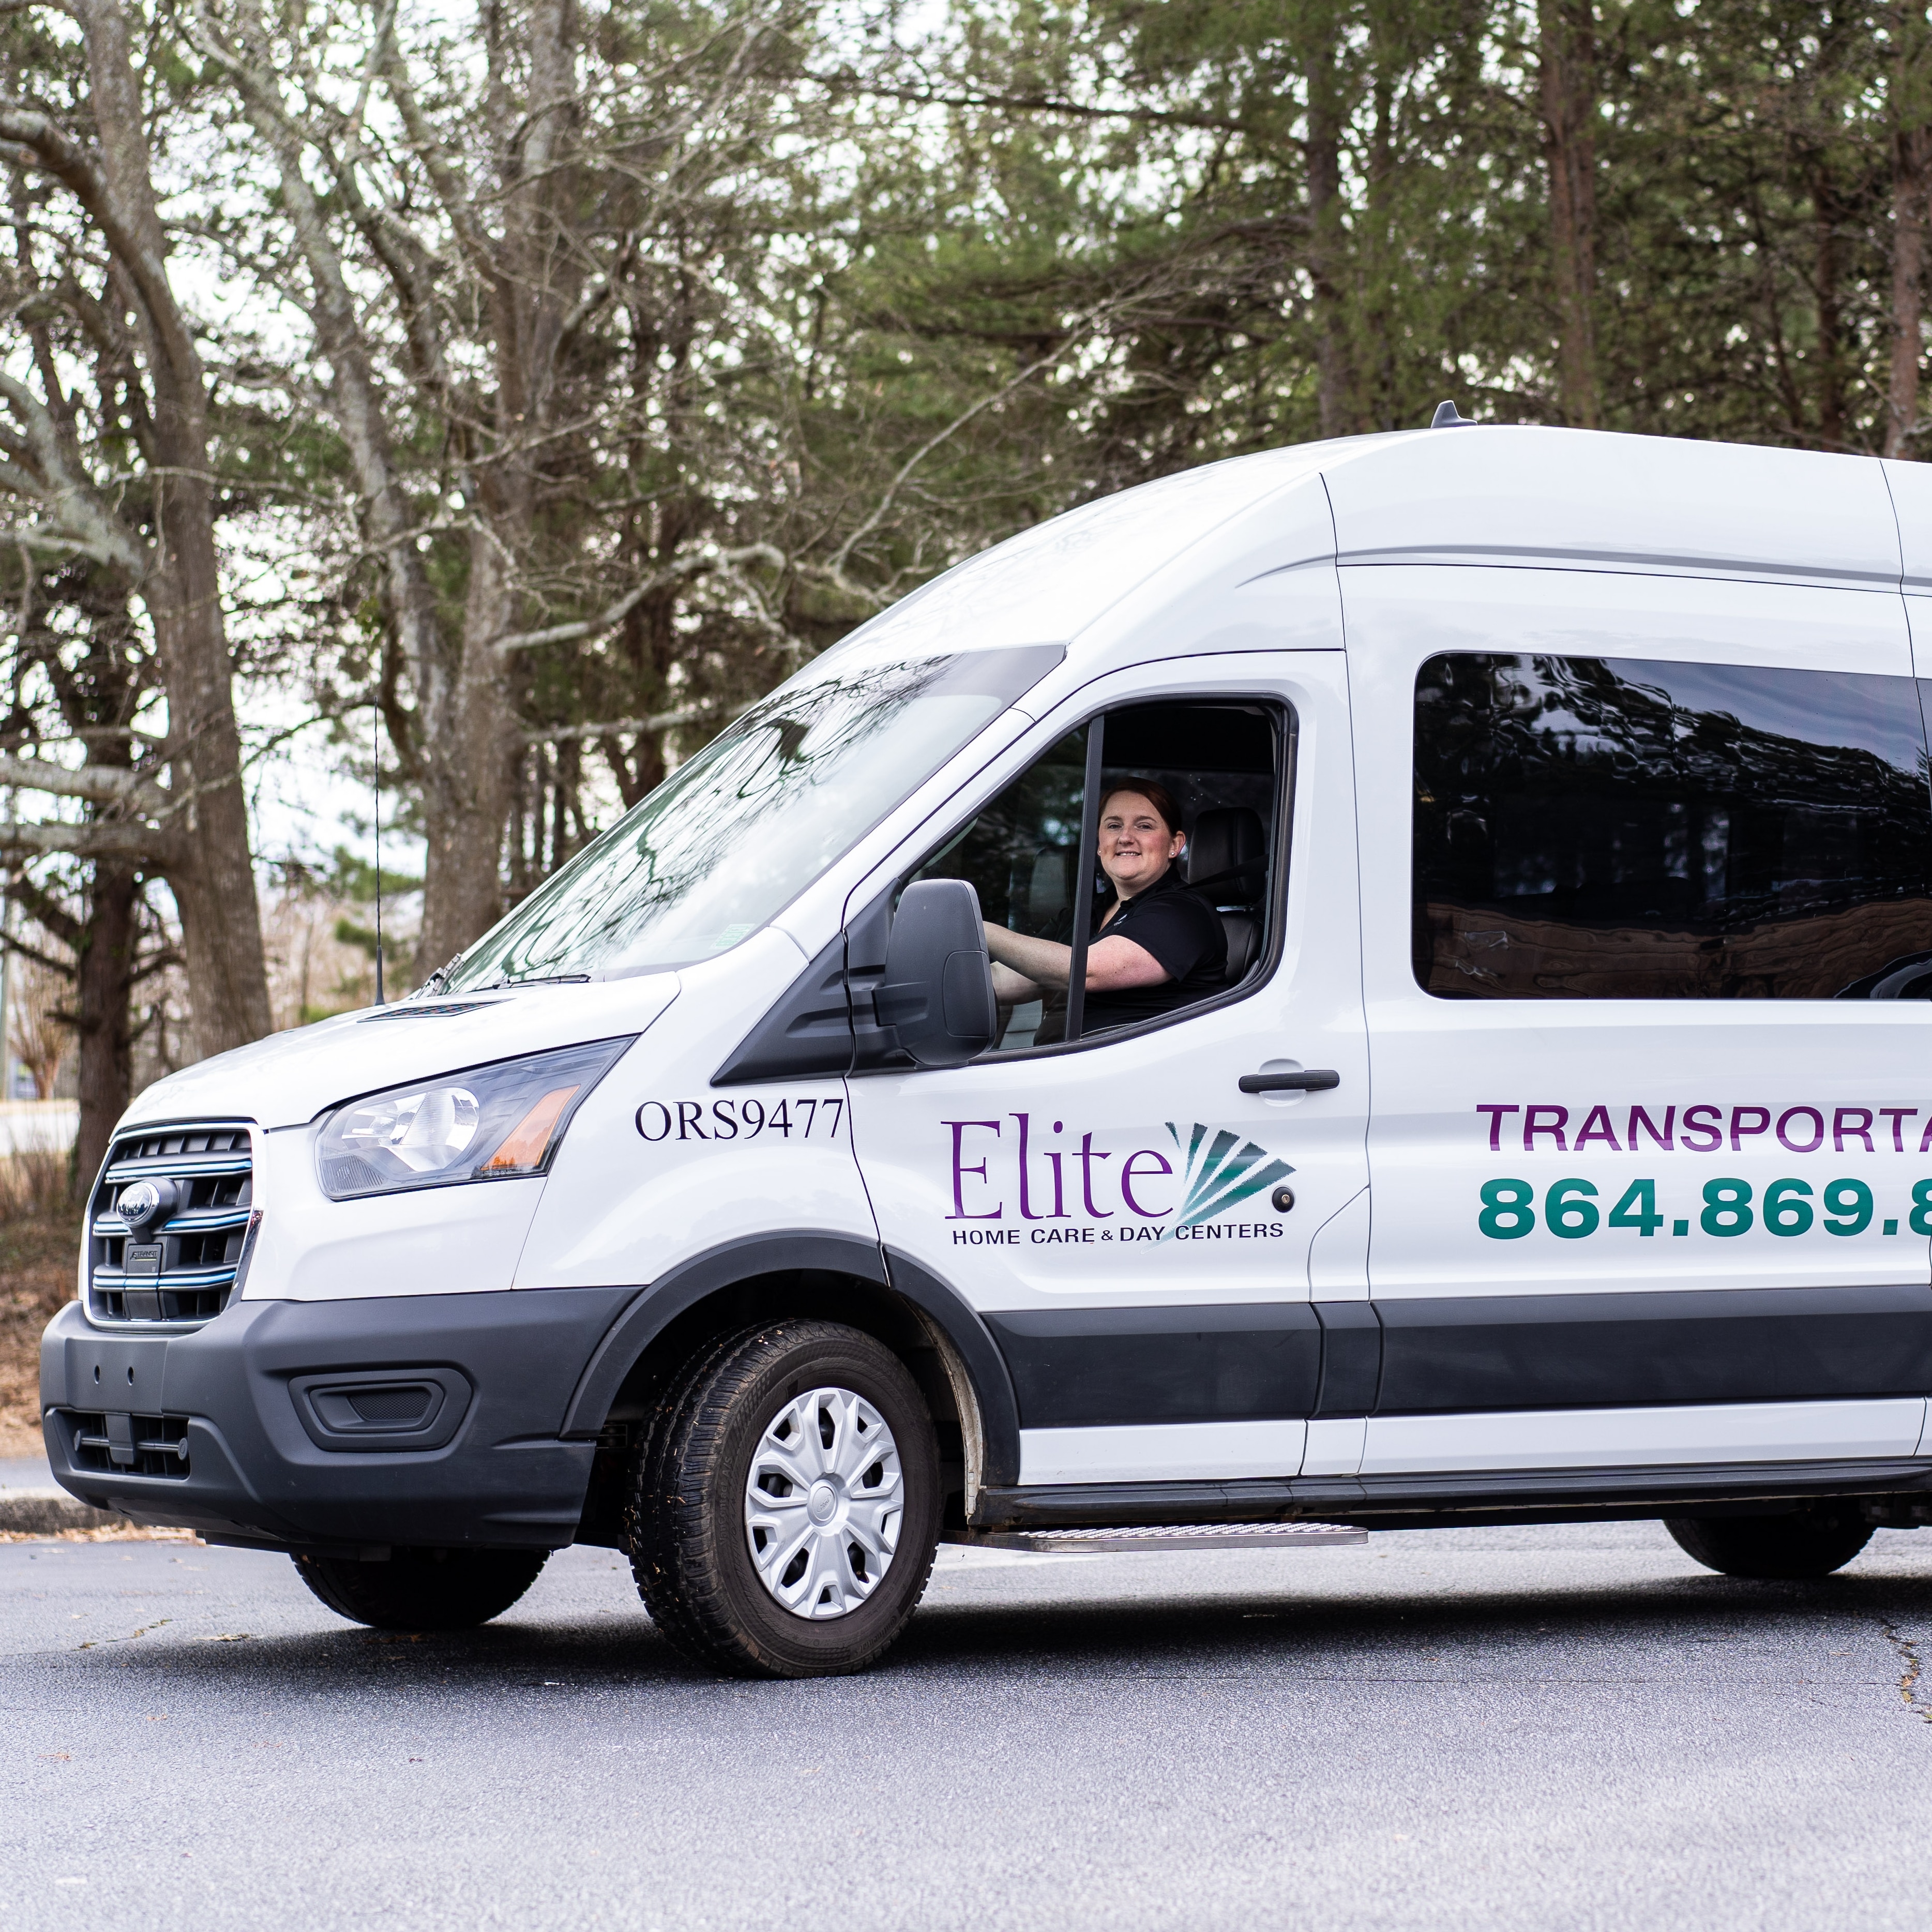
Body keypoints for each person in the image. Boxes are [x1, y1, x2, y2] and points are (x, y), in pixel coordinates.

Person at [984, 780, 1228, 1039]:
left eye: (1144, 826)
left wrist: (980, 930)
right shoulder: (1083, 914)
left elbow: (1087, 972)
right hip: (1067, 1059)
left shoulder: (1184, 912)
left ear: (1174, 845)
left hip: (1135, 1061)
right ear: (1100, 843)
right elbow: (1009, 978)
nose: (1125, 838)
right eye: (1114, 826)